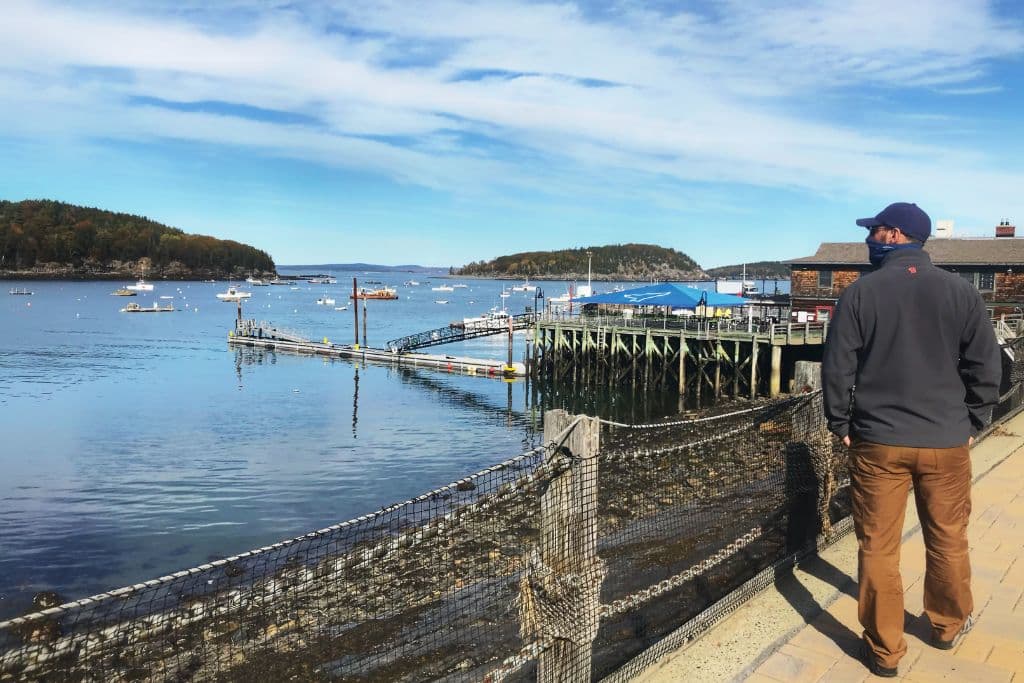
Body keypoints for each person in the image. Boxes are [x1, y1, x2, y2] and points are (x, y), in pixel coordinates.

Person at [821, 202, 1002, 677]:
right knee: (948, 538)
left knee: (878, 546)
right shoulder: (962, 292)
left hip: (878, 441)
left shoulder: (860, 293)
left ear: (895, 234)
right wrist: (975, 421)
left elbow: (838, 366)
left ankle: (884, 651)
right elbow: (987, 365)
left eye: (873, 231)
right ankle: (944, 626)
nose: (868, 239)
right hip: (945, 439)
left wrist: (840, 423)